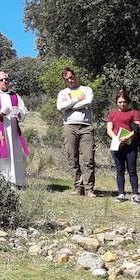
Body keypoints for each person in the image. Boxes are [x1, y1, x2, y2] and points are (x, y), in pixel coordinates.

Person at [0, 71, 29, 188]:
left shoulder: (15, 96)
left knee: (13, 154)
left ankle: (13, 182)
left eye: (6, 79)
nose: (4, 82)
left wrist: (19, 112)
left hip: (12, 132)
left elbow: (24, 111)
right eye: (1, 80)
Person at [56, 67, 95, 197]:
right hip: (69, 127)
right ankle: (78, 187)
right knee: (72, 158)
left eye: (72, 77)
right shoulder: (63, 92)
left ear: (75, 76)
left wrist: (69, 106)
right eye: (67, 79)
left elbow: (88, 101)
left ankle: (89, 188)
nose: (71, 80)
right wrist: (77, 100)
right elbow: (59, 107)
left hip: (86, 126)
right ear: (65, 81)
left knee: (88, 158)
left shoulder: (86, 89)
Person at [107, 90, 140, 203]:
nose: (122, 104)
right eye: (120, 102)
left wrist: (129, 137)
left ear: (128, 102)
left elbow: (136, 128)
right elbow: (109, 129)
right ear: (116, 102)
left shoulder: (134, 113)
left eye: (124, 102)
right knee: (120, 170)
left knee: (132, 170)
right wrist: (116, 138)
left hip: (130, 145)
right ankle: (121, 193)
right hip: (117, 145)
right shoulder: (112, 114)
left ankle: (135, 194)